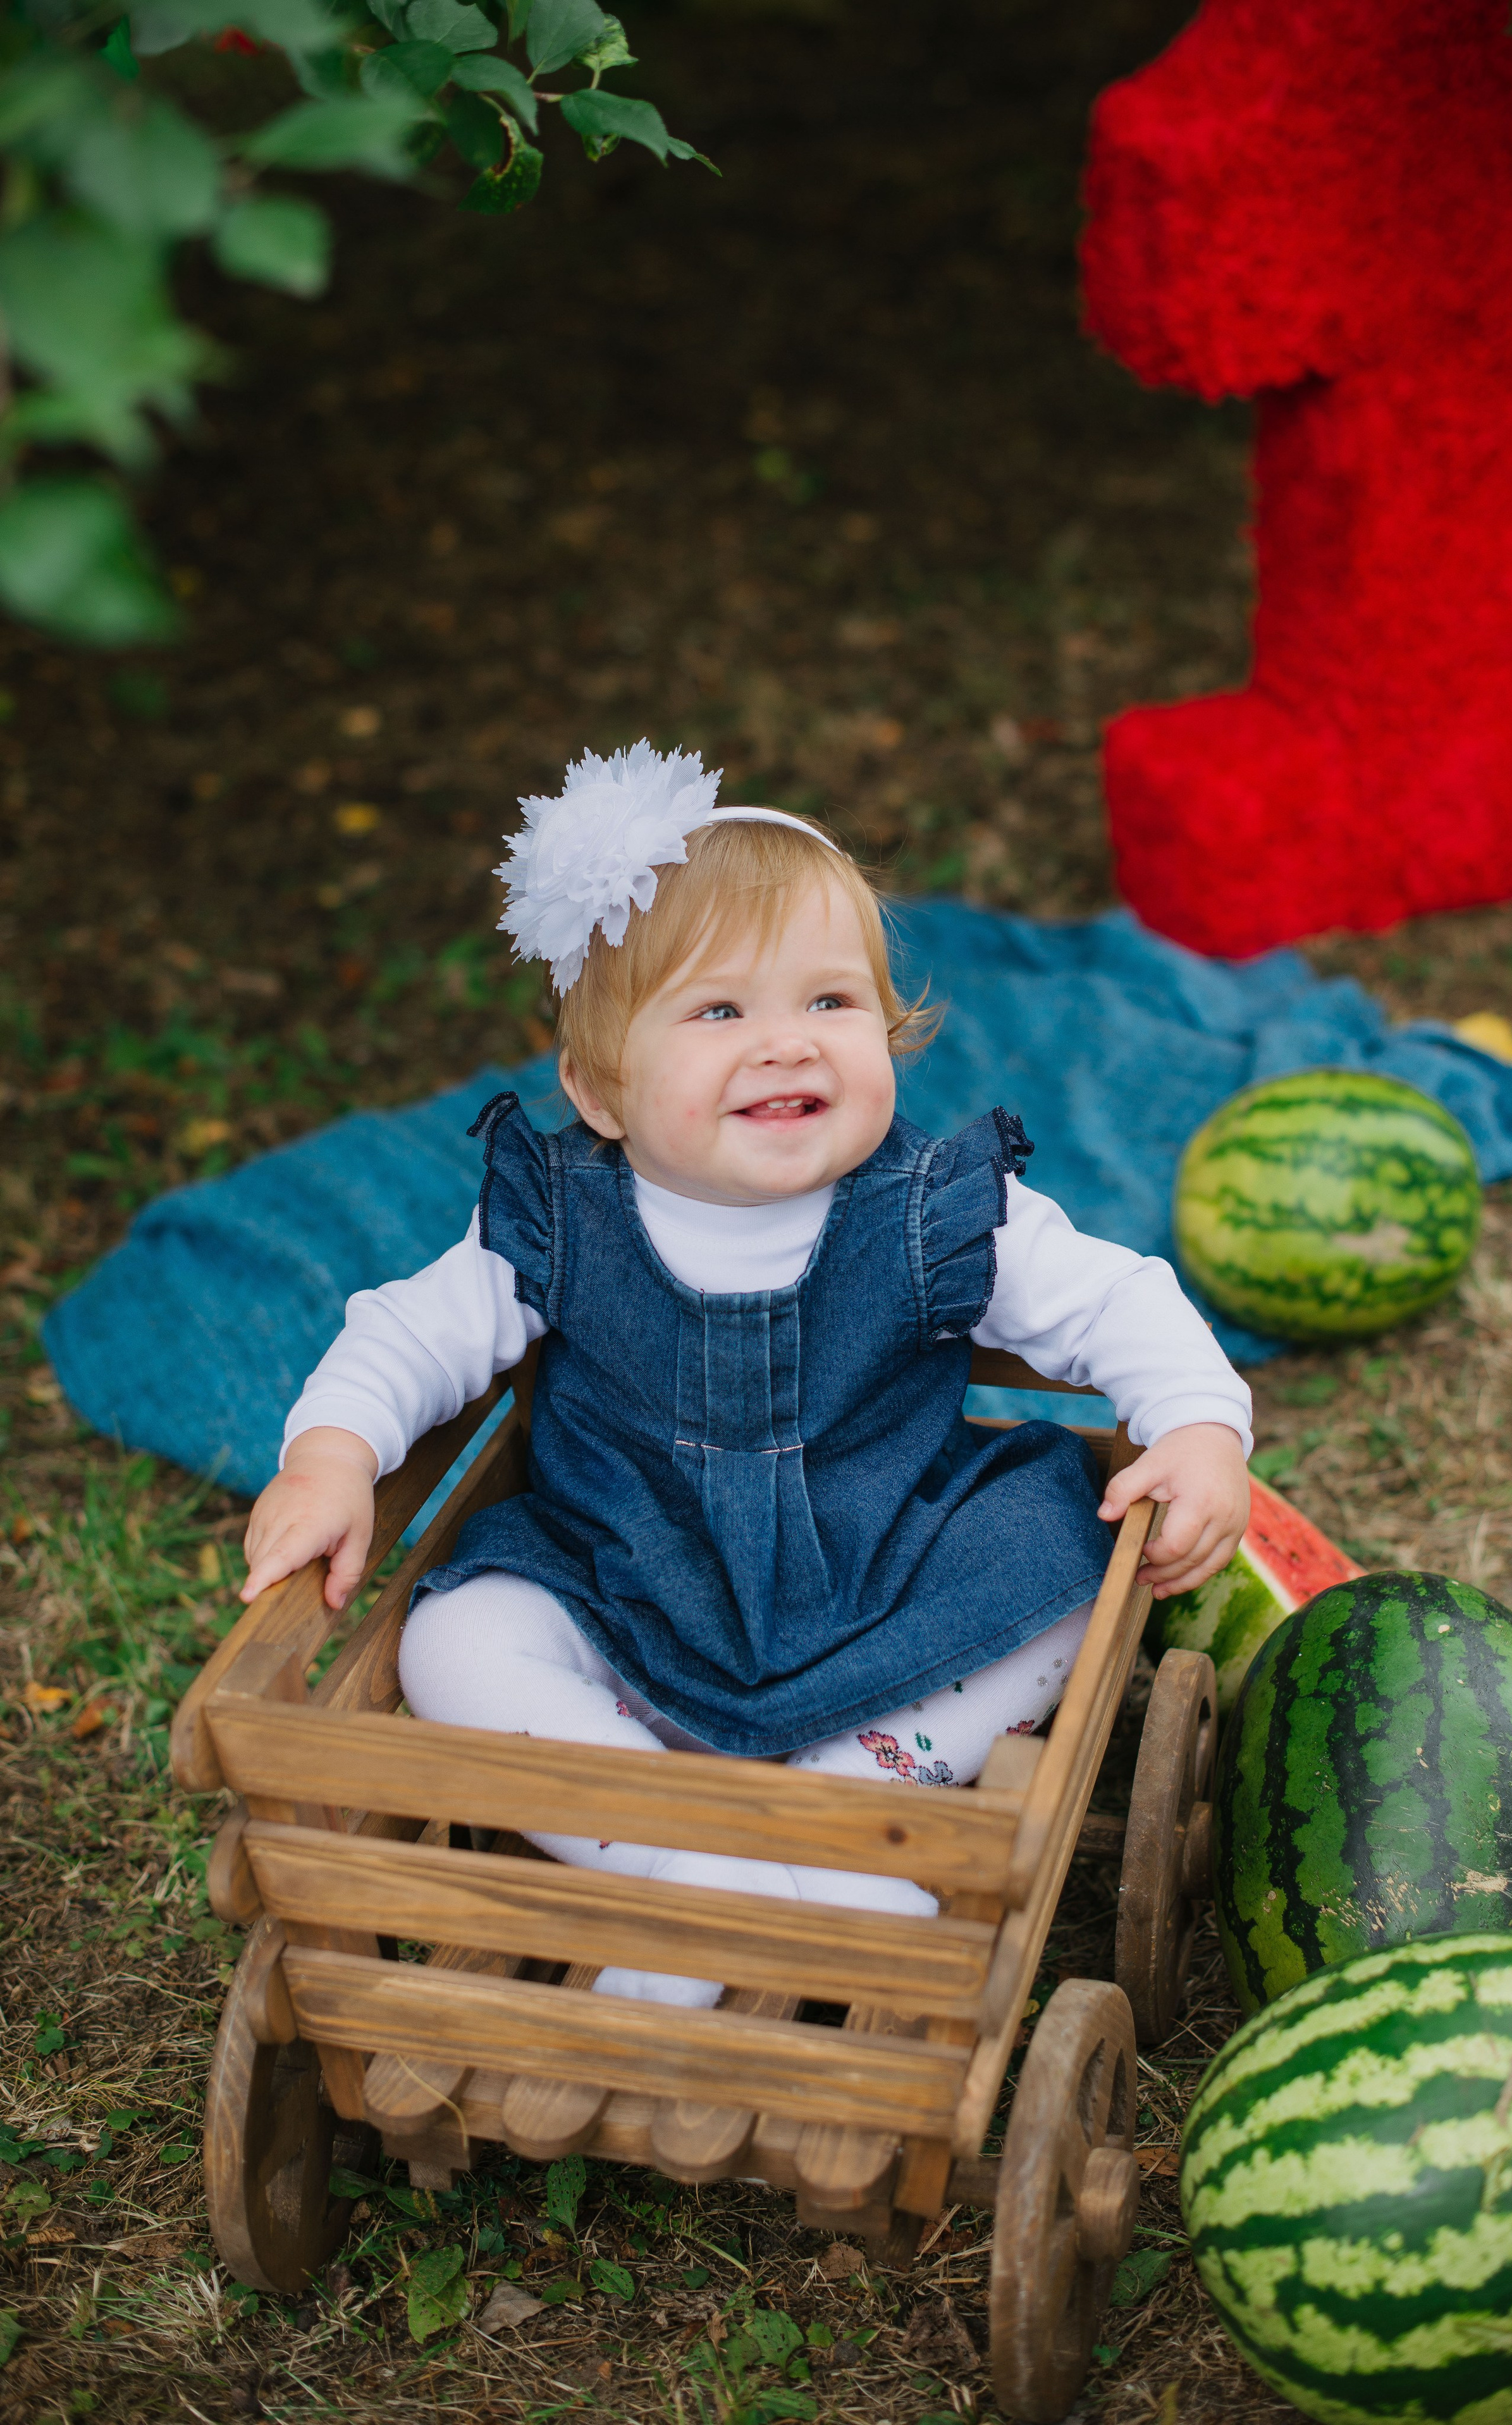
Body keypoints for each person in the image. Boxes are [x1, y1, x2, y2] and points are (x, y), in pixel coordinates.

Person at [240, 742, 1252, 2005]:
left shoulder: (933, 1210)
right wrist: (333, 1450)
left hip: (888, 1577)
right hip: (632, 1593)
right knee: (457, 1632)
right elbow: (406, 1334)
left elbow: (1117, 1299)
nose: (785, 1045)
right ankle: (679, 1860)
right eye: (719, 1012)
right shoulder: (560, 1219)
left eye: (829, 1003)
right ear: (599, 1090)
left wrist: (1198, 1424)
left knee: (1064, 1567)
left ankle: (853, 1791)